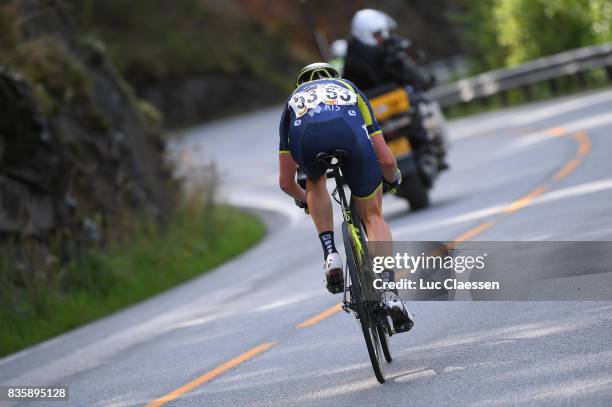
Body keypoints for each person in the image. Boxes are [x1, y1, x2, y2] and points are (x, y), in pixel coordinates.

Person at [277, 62, 413, 330]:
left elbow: (285, 182)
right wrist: (393, 178)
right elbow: (385, 158)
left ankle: (330, 254)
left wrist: (307, 200)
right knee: (373, 215)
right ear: (333, 78)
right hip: (349, 136)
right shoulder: (349, 88)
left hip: (309, 139)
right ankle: (388, 290)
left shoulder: (293, 101)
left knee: (315, 182)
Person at [343, 9, 448, 170]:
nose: (381, 37)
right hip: (375, 112)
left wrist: (422, 82)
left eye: (380, 33)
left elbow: (409, 71)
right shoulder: (355, 60)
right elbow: (351, 89)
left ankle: (432, 149)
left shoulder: (387, 47)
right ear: (365, 34)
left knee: (424, 110)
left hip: (396, 105)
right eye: (377, 34)